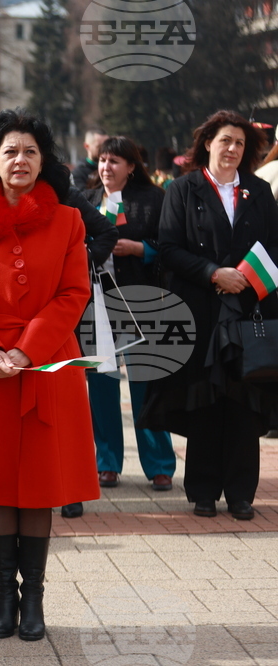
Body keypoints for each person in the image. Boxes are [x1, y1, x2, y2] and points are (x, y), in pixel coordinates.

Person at [0, 108, 99, 642]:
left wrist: (28, 351)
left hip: (48, 366)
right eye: (10, 150)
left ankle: (33, 597)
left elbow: (74, 294)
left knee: (38, 483)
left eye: (30, 151)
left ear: (43, 161)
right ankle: (2, 598)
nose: (20, 159)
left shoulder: (69, 221)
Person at [141, 110, 278, 521]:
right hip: (200, 308)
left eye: (239, 143)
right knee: (203, 396)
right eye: (224, 141)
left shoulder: (259, 191)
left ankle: (240, 494)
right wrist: (213, 273)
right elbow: (168, 248)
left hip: (248, 308)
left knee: (242, 399)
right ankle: (202, 490)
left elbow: (274, 246)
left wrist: (246, 279)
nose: (232, 149)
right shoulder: (183, 189)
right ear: (207, 144)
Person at [84, 137, 175, 491]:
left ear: (132, 167)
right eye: (103, 160)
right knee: (102, 384)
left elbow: (170, 246)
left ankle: (160, 464)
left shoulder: (153, 201)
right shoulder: (87, 200)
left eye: (115, 162)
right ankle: (107, 462)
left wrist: (139, 249)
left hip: (141, 300)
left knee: (146, 384)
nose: (106, 168)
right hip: (96, 304)